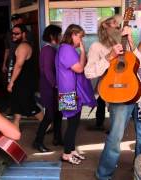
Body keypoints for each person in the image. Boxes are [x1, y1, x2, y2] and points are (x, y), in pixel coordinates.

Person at [84, 15, 141, 179]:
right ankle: (104, 174)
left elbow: (140, 64)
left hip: (138, 96)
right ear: (104, 25)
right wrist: (109, 56)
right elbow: (89, 72)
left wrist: (131, 40)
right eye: (114, 23)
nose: (118, 26)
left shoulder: (127, 43)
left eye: (120, 24)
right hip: (118, 98)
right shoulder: (97, 46)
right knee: (115, 139)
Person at [56, 24, 96, 165]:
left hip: (71, 91)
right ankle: (66, 154)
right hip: (68, 92)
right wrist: (83, 51)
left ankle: (71, 150)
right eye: (80, 37)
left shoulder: (68, 48)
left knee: (75, 122)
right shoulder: (66, 49)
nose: (81, 40)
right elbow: (79, 68)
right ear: (72, 35)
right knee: (72, 124)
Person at [6, 24, 43, 129]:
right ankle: (16, 125)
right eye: (12, 33)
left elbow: (19, 65)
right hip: (21, 80)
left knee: (27, 103)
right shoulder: (22, 45)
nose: (14, 36)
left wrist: (11, 82)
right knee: (16, 102)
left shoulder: (23, 46)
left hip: (24, 81)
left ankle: (46, 123)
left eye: (17, 34)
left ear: (24, 34)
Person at [33, 25, 63, 153]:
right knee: (50, 115)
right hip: (49, 87)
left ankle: (57, 138)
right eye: (59, 34)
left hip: (54, 87)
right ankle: (38, 141)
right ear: (52, 36)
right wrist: (55, 84)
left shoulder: (52, 49)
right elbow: (47, 70)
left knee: (58, 114)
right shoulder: (48, 50)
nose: (61, 37)